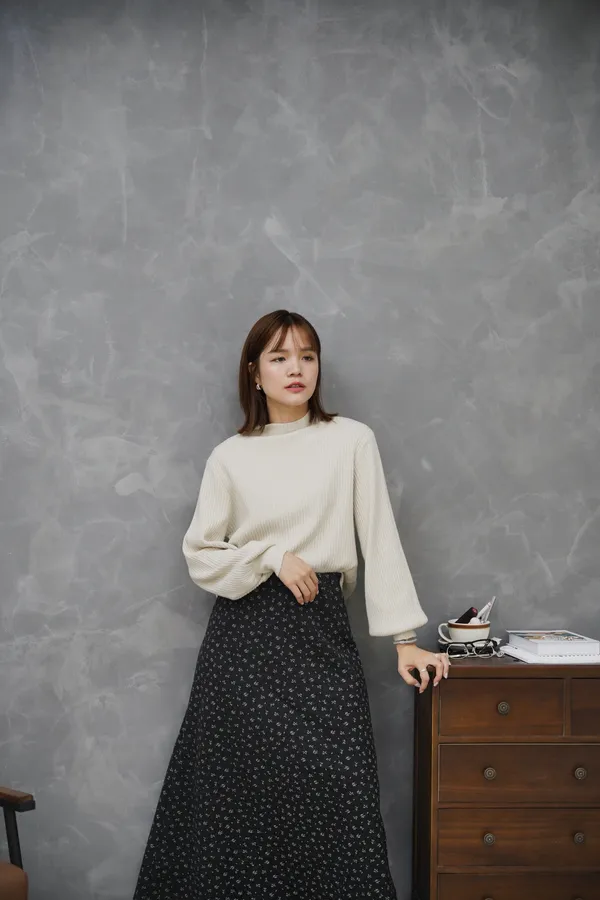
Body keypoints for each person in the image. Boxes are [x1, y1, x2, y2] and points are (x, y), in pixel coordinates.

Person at [132, 310, 449, 900]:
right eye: (279, 358)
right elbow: (201, 554)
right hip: (243, 643)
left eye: (306, 355)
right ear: (255, 373)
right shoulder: (230, 456)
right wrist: (273, 555)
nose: (295, 368)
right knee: (236, 807)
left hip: (319, 633)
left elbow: (379, 537)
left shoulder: (351, 440)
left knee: (338, 799)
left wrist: (405, 641)